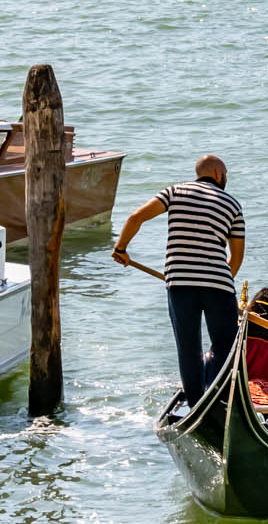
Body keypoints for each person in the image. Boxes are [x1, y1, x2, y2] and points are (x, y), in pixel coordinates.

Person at [113, 153, 245, 406]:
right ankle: (217, 397)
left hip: (180, 283)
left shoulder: (174, 192)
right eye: (226, 174)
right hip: (218, 283)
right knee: (226, 346)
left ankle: (196, 403)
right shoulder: (232, 204)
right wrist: (221, 281)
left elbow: (135, 218)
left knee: (188, 348)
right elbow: (236, 257)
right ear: (218, 174)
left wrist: (121, 249)